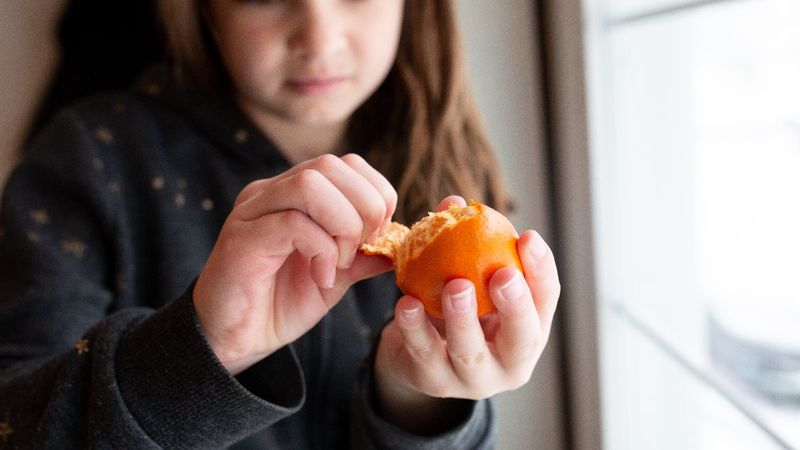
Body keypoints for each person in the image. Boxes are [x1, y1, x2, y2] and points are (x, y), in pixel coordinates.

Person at [0, 0, 561, 448]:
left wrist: (416, 395)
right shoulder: (90, 160)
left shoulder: (446, 168)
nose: (318, 37)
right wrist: (204, 348)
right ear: (202, 10)